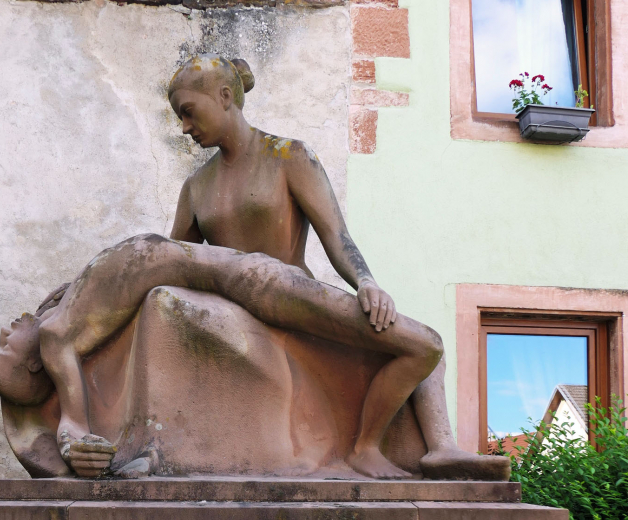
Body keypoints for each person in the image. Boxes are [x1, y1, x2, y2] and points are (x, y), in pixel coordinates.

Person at [166, 54, 508, 481]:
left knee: (422, 347)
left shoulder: (287, 156)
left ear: (224, 97)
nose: (184, 126)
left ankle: (438, 447)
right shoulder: (196, 187)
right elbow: (177, 261)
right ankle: (368, 449)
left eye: (188, 111)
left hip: (294, 297)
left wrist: (366, 281)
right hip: (250, 306)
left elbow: (336, 236)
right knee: (424, 344)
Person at [0, 234, 443, 478]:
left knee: (413, 344)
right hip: (253, 282)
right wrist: (73, 444)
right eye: (6, 346)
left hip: (249, 278)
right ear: (33, 365)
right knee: (422, 344)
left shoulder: (75, 311)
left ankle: (427, 441)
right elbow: (74, 419)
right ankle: (370, 448)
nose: (10, 327)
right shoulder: (56, 337)